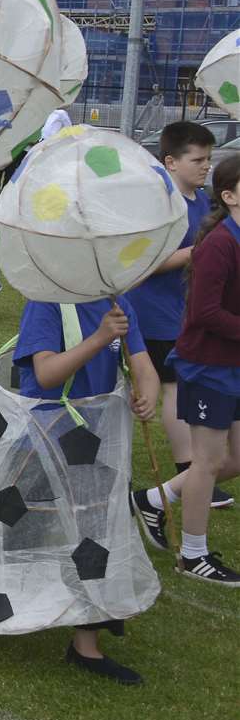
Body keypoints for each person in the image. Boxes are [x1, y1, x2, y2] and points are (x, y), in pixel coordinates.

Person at [0, 295, 159, 682]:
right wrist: (99, 337)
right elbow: (45, 373)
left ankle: (86, 645)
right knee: (9, 529)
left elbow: (140, 360)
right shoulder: (48, 304)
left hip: (92, 440)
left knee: (96, 533)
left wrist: (148, 391)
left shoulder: (120, 301)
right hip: (38, 439)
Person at [133, 155, 240, 585]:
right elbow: (204, 312)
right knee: (209, 461)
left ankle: (154, 499)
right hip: (207, 365)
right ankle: (193, 554)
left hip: (232, 363)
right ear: (229, 197)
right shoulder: (219, 244)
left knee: (230, 459)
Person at [124, 122, 230, 508]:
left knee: (176, 388)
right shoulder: (157, 204)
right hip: (151, 311)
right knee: (169, 388)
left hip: (183, 310)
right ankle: (188, 468)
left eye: (208, 158)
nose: (205, 166)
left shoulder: (202, 201)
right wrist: (198, 254)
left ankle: (191, 472)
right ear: (170, 161)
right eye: (197, 159)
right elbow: (139, 264)